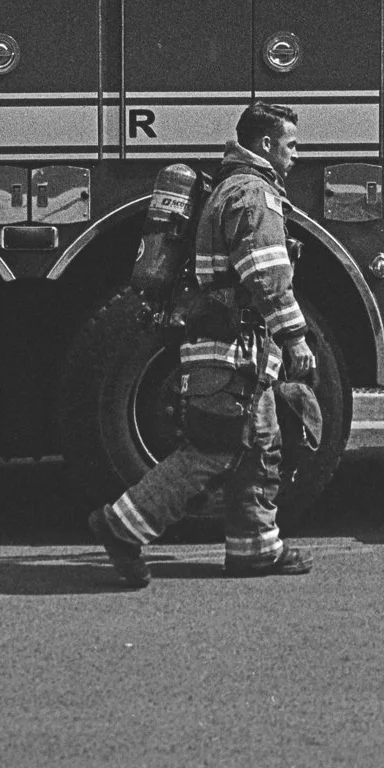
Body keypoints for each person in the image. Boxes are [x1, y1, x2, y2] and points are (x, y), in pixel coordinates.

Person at [87, 100, 317, 587]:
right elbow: (266, 274)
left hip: (237, 350)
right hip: (231, 352)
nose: (297, 155)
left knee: (258, 448)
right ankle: (123, 526)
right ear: (266, 145)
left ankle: (256, 549)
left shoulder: (235, 187)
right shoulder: (253, 194)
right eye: (291, 145)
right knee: (213, 449)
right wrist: (295, 337)